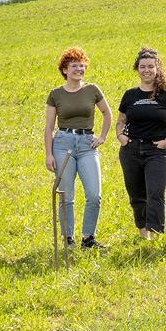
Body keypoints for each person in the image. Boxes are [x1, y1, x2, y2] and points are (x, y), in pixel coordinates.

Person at [44, 47, 112, 250]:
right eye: (74, 66)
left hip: (87, 144)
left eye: (82, 65)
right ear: (64, 70)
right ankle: (68, 239)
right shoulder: (55, 94)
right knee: (67, 195)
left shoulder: (92, 89)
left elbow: (107, 114)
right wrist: (48, 154)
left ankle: (88, 238)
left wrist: (102, 137)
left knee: (94, 194)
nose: (79, 69)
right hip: (63, 143)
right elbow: (48, 126)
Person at [116, 48, 166, 240]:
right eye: (142, 67)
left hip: (158, 151)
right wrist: (120, 136)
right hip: (131, 150)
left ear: (157, 68)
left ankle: (156, 235)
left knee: (155, 192)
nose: (147, 70)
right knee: (136, 194)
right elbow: (121, 120)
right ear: (137, 69)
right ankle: (144, 235)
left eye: (150, 67)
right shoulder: (130, 95)